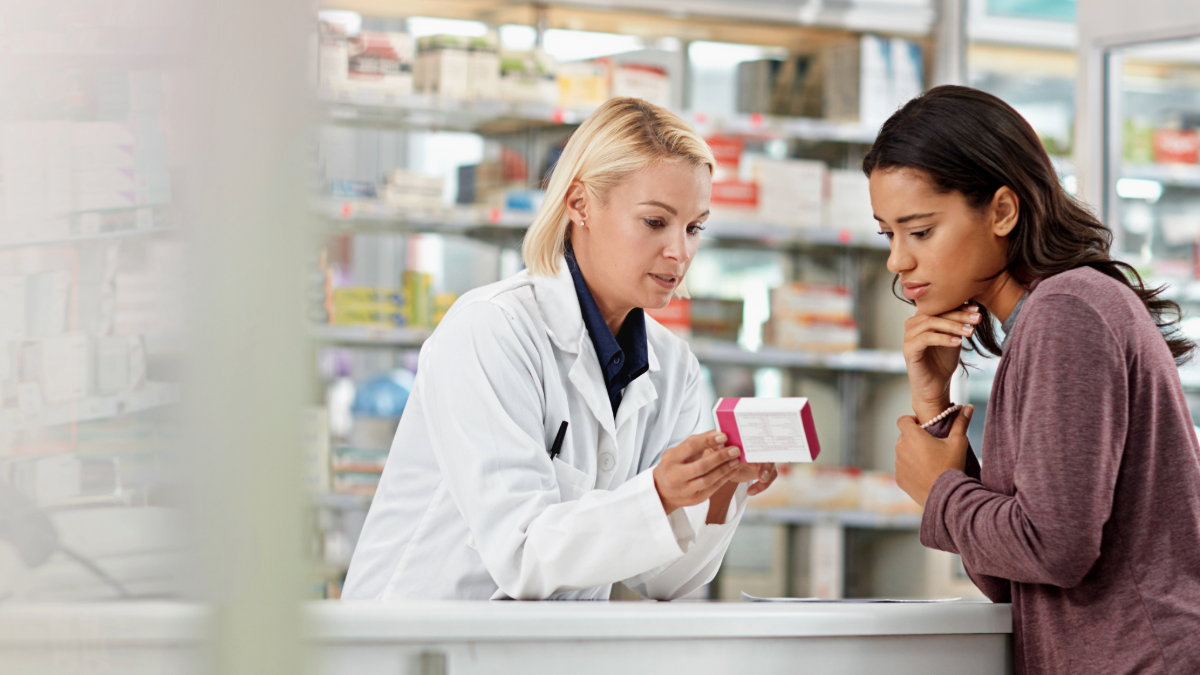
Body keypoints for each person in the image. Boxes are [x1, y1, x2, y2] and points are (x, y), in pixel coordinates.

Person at [342, 97, 779, 601]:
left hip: (544, 640)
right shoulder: (492, 329)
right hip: (419, 633)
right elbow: (522, 552)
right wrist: (659, 493)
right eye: (655, 222)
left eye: (694, 227)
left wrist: (719, 486)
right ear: (579, 204)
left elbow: (663, 579)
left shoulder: (674, 367)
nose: (679, 251)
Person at [867, 85, 1200, 674]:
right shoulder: (1047, 317)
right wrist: (934, 403)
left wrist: (939, 489)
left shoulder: (1067, 309)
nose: (898, 260)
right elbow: (1010, 578)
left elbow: (1055, 549)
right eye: (887, 234)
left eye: (920, 231)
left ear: (1002, 210)